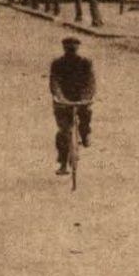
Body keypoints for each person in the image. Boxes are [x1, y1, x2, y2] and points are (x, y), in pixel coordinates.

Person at [49, 36, 96, 175]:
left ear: (78, 49)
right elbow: (54, 82)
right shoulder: (57, 63)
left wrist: (86, 97)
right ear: (64, 49)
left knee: (86, 114)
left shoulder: (85, 62)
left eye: (73, 49)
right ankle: (63, 164)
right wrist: (60, 97)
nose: (71, 52)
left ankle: (85, 132)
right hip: (62, 102)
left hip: (82, 99)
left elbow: (90, 82)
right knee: (63, 132)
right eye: (68, 49)